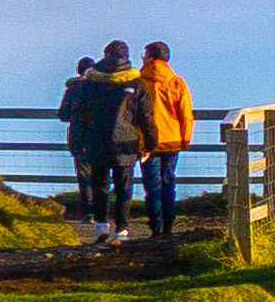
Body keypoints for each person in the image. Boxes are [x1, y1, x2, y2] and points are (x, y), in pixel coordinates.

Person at [55, 43, 129, 239]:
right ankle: (117, 222)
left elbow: (64, 114)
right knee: (114, 179)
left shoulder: (74, 88)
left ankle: (90, 212)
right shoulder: (110, 84)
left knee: (87, 176)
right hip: (110, 137)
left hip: (81, 136)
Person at [126, 39, 194, 241]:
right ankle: (169, 226)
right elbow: (186, 114)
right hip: (172, 140)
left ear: (148, 57)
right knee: (168, 182)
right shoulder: (176, 83)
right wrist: (185, 139)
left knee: (152, 185)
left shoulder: (138, 83)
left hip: (147, 143)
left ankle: (156, 226)